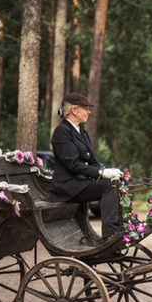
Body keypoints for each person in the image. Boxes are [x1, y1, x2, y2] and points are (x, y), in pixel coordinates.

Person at [49, 92, 124, 240]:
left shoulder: (83, 133)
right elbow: (73, 165)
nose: (89, 112)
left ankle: (123, 228)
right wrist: (101, 174)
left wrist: (106, 170)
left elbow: (93, 162)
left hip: (80, 183)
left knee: (115, 183)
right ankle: (111, 235)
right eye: (86, 108)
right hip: (66, 186)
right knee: (107, 186)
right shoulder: (62, 132)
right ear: (74, 110)